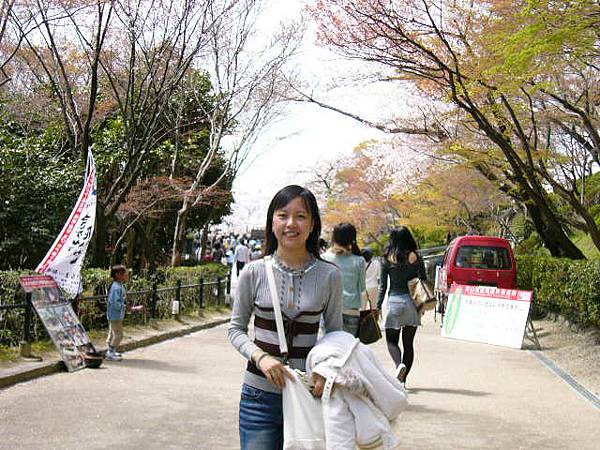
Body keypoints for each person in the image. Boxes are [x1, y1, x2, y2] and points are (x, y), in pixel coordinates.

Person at [228, 185, 343, 450]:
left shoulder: (329, 275)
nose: (291, 223)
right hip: (258, 398)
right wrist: (262, 357)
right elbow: (236, 330)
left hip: (308, 394)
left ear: (313, 224)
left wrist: (325, 373)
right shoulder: (253, 272)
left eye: (300, 216)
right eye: (283, 215)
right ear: (272, 221)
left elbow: (337, 335)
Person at [377, 227, 427, 387]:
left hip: (395, 302)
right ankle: (403, 382)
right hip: (413, 304)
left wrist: (377, 306)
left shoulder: (387, 258)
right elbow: (424, 280)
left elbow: (383, 286)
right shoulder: (416, 257)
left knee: (391, 342)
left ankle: (399, 365)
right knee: (408, 344)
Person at [322, 223, 366, 337]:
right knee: (348, 351)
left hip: (329, 312)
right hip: (351, 312)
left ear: (334, 237)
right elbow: (362, 287)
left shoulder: (325, 258)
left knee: (330, 351)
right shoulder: (359, 261)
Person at [106, 264, 129, 361]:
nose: (126, 276)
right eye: (124, 274)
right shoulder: (116, 287)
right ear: (117, 275)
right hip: (115, 315)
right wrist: (125, 307)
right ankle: (110, 353)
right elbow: (115, 302)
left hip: (116, 314)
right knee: (119, 335)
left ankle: (111, 351)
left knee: (112, 334)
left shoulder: (119, 285)